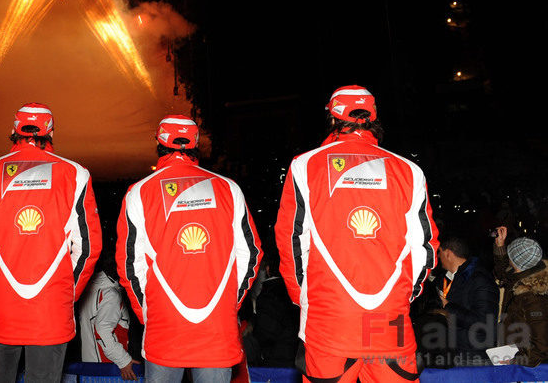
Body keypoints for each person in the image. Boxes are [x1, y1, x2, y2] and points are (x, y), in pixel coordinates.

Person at [275, 85, 439, 382]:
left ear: (333, 118)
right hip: (391, 317)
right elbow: (424, 248)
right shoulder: (409, 170)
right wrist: (403, 296)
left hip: (328, 316)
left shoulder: (305, 165)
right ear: (373, 117)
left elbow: (291, 242)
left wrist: (306, 297)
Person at [0, 103, 102, 383]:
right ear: (51, 133)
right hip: (51, 315)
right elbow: (89, 248)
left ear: (14, 131)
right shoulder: (76, 174)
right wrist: (65, 293)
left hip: (0, 312)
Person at [117, 115, 262, 383]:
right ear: (195, 143)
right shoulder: (229, 189)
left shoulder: (138, 192)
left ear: (160, 143)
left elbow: (130, 266)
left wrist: (149, 312)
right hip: (217, 329)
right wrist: (228, 302)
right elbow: (251, 255)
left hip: (165, 328)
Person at [435, 236, 498, 364]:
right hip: (453, 353)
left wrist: (448, 307)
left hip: (474, 357)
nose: (437, 257)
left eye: (439, 253)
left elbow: (484, 323)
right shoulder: (446, 279)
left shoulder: (480, 279)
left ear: (448, 253)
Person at [79, 251, 139, 380]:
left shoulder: (89, 292)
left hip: (90, 371)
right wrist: (123, 360)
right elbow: (102, 329)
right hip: (109, 371)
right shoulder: (111, 294)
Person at [493, 229, 548, 366]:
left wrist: (516, 361)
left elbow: (541, 345)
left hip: (525, 369)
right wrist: (500, 247)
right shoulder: (522, 277)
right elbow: (504, 274)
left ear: (514, 261)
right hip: (513, 355)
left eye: (509, 255)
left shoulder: (533, 298)